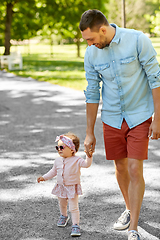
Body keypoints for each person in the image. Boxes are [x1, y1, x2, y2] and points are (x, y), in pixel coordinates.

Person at [79, 9, 160, 240]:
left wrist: (158, 118)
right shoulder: (91, 54)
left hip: (139, 115)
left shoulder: (137, 40)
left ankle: (133, 228)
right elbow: (92, 92)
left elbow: (156, 79)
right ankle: (129, 208)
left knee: (135, 168)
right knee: (121, 167)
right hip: (112, 117)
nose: (90, 44)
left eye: (91, 39)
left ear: (102, 30)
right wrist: (89, 133)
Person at [37, 132, 93, 237]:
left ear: (72, 149)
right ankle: (64, 216)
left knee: (73, 207)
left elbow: (86, 165)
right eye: (57, 147)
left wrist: (89, 156)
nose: (59, 149)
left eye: (62, 147)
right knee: (62, 203)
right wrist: (44, 177)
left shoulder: (77, 160)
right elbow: (53, 171)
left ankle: (76, 225)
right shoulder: (58, 161)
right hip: (61, 186)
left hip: (72, 187)